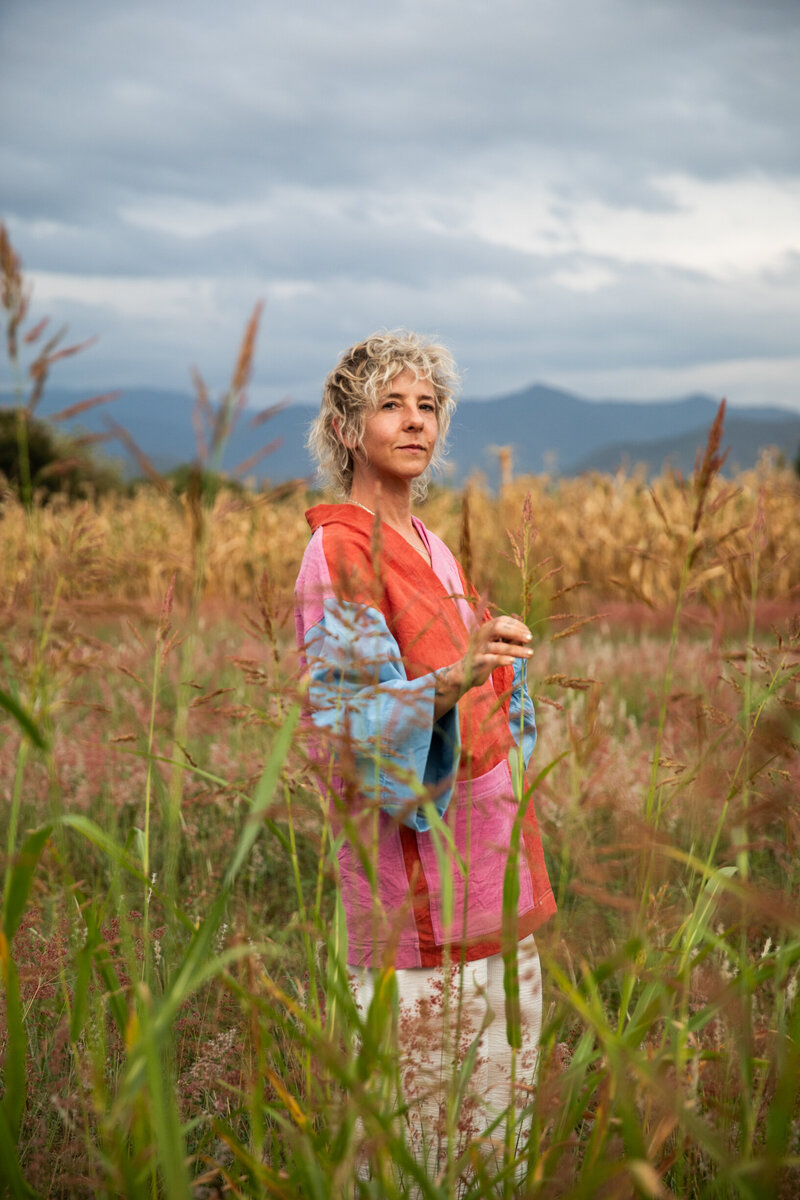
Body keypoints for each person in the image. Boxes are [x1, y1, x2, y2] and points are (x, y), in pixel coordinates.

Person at [294, 330, 556, 1191]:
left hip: (490, 864)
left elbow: (472, 693)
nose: (415, 421)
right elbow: (347, 722)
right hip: (415, 894)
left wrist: (496, 662)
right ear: (344, 427)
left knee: (500, 1109)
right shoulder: (338, 551)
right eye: (389, 404)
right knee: (420, 1126)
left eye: (428, 405)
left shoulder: (431, 546)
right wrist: (451, 677)